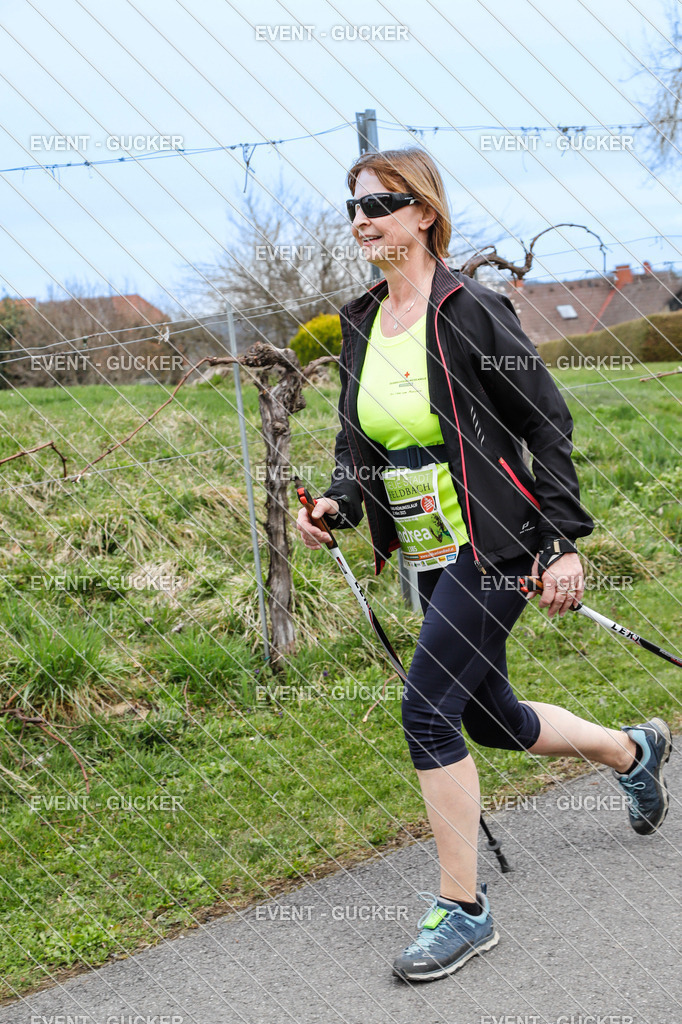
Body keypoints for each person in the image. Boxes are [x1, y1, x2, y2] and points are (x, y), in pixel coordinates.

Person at [295, 147, 672, 983]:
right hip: (428, 550)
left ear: (423, 213)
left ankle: (463, 910)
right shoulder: (361, 318)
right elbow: (359, 441)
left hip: (496, 544)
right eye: (353, 208)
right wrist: (337, 503)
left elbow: (548, 422)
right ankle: (633, 752)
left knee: (426, 713)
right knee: (491, 718)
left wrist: (562, 539)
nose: (363, 220)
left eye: (381, 204)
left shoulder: (472, 310)